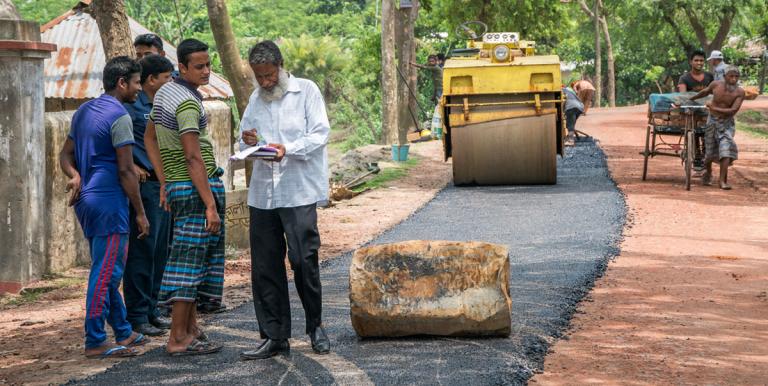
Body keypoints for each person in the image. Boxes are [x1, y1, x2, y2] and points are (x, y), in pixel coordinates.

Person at [238, 40, 331, 360]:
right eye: (259, 76)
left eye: (269, 75)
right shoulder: (255, 99)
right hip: (263, 194)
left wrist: (285, 149)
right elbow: (245, 136)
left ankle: (315, 326)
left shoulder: (306, 91)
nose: (264, 82)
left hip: (298, 190)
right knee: (265, 266)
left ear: (280, 66)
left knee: (303, 259)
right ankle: (275, 335)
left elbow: (319, 134)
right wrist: (249, 140)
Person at [59, 56, 151, 358]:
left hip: (86, 201)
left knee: (108, 270)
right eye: (136, 82)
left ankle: (122, 331)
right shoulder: (120, 116)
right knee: (105, 274)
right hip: (109, 202)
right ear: (122, 83)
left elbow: (65, 155)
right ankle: (95, 339)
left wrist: (74, 177)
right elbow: (126, 171)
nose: (139, 89)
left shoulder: (85, 110)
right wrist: (139, 212)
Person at [145, 38, 225, 356]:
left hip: (179, 186)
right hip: (195, 188)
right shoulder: (188, 103)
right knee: (189, 264)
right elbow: (193, 156)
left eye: (208, 65)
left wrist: (165, 182)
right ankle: (178, 337)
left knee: (190, 258)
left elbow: (150, 138)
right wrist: (209, 204)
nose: (206, 71)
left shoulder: (166, 92)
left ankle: (190, 330)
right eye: (199, 66)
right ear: (181, 67)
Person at [122, 54, 175, 337]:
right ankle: (137, 315)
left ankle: (152, 309)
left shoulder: (164, 105)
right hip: (144, 188)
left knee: (159, 252)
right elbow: (120, 143)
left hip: (163, 186)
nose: (172, 82)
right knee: (142, 252)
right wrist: (134, 165)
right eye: (167, 77)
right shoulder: (132, 107)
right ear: (152, 79)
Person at [690, 66, 745, 190]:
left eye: (736, 77)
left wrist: (713, 108)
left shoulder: (740, 92)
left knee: (726, 149)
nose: (733, 79)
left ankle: (722, 181)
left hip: (726, 124)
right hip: (712, 122)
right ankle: (708, 172)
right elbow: (705, 92)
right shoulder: (715, 85)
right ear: (725, 76)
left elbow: (733, 110)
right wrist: (691, 98)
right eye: (731, 76)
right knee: (709, 153)